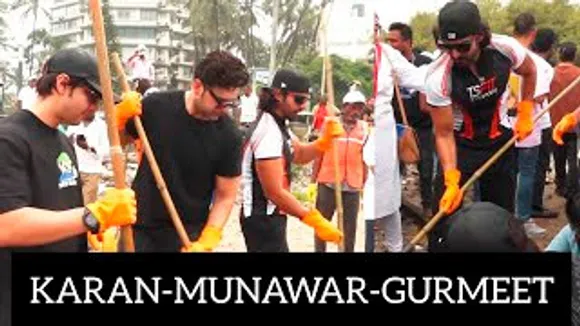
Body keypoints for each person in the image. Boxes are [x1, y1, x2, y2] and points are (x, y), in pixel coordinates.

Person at [0, 48, 137, 326]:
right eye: (92, 96)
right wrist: (91, 216)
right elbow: (6, 225)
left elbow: (62, 206)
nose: (95, 108)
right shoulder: (10, 140)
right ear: (62, 84)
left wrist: (88, 232)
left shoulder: (63, 142)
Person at [424, 1, 537, 249]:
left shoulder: (506, 48)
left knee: (503, 216)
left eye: (462, 47)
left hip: (499, 139)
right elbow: (443, 134)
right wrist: (451, 178)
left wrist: (526, 110)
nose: (454, 55)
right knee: (441, 216)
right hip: (461, 146)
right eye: (447, 47)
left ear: (480, 36)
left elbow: (529, 71)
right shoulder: (437, 76)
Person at [116, 50, 249, 253]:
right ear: (197, 87)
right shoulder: (156, 107)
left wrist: (208, 240)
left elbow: (225, 196)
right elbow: (120, 141)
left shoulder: (229, 136)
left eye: (232, 102)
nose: (225, 108)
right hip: (139, 227)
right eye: (220, 102)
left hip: (188, 234)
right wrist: (121, 118)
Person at [239, 69, 343, 252]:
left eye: (306, 100)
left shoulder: (278, 124)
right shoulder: (267, 132)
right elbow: (274, 192)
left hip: (273, 214)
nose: (303, 106)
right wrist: (314, 219)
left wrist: (324, 141)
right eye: (299, 100)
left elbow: (300, 154)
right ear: (278, 95)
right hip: (262, 218)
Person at [503, 12, 554, 236]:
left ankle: (501, 216)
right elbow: (539, 97)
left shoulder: (500, 53)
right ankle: (522, 219)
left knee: (505, 172)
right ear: (532, 33)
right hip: (527, 124)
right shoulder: (537, 63)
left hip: (502, 123)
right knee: (526, 172)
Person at [310, 88, 370, 252]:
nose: (355, 111)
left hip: (352, 186)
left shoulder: (364, 129)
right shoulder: (330, 125)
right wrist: (313, 181)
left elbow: (364, 158)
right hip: (328, 183)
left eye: (359, 108)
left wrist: (363, 183)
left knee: (349, 230)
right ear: (343, 107)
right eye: (352, 107)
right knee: (322, 224)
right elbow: (319, 153)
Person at [388, 21, 435, 219]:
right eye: (388, 41)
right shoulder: (387, 65)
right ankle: (394, 207)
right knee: (395, 169)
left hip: (423, 126)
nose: (391, 45)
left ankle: (428, 207)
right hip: (397, 126)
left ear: (408, 42)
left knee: (425, 169)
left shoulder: (425, 62)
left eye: (395, 41)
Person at [549, 42, 580, 198]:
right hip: (575, 123)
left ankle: (560, 185)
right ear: (574, 56)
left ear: (559, 55)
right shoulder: (578, 74)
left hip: (555, 122)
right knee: (573, 157)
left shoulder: (550, 73)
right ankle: (573, 188)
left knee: (558, 155)